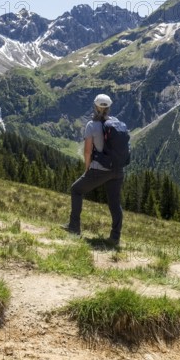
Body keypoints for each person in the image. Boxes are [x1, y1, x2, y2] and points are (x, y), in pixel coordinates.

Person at [61, 93, 124, 246]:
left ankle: (74, 227)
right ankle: (115, 237)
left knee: (76, 190)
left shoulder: (91, 125)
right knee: (115, 203)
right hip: (118, 169)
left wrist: (87, 169)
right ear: (108, 108)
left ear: (96, 107)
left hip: (100, 169)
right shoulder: (116, 123)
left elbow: (88, 151)